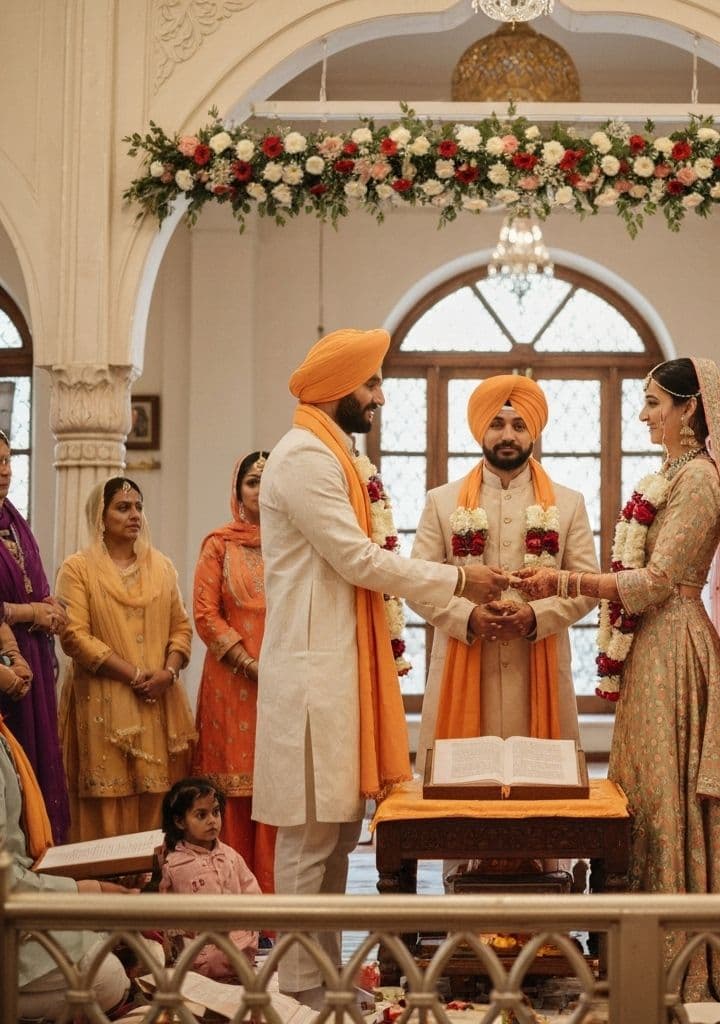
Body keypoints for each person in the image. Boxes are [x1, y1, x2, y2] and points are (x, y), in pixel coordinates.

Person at [513, 357, 720, 1001]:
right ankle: (640, 945)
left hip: (677, 648)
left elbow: (656, 585)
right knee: (650, 793)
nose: (645, 414)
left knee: (679, 794)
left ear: (688, 410)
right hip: (655, 649)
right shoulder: (671, 475)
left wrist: (564, 581)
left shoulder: (701, 479)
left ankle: (692, 955)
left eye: (654, 403)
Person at [251, 327, 507, 1005]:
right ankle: (299, 992)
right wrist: (457, 581)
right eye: (369, 385)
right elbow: (357, 559)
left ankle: (324, 982)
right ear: (336, 390)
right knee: (310, 840)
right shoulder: (305, 457)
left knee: (335, 838)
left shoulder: (330, 454)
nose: (379, 397)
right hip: (313, 673)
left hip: (338, 669)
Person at [411, 375, 598, 773]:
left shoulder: (569, 504)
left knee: (542, 801)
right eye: (497, 423)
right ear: (481, 429)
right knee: (458, 800)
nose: (507, 434)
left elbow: (586, 586)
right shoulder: (441, 502)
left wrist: (536, 617)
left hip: (539, 664)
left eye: (519, 425)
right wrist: (467, 617)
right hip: (464, 663)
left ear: (534, 432)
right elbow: (419, 584)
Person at [56, 477, 195, 841]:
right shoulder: (77, 569)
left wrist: (168, 671)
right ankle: (105, 890)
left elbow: (181, 627)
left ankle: (147, 889)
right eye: (122, 507)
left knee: (154, 796)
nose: (134, 515)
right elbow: (73, 635)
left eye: (138, 507)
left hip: (156, 701)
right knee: (106, 797)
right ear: (100, 517)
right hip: (103, 700)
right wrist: (133, 674)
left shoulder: (161, 566)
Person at [2, 710, 132, 1019]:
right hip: (11, 914)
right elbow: (5, 879)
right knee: (109, 977)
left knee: (122, 948)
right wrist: (85, 890)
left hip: (21, 891)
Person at [192, 450, 275, 892]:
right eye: (252, 482)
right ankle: (232, 901)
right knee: (235, 792)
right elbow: (205, 615)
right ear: (238, 491)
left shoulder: (294, 541)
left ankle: (276, 904)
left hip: (282, 679)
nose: (260, 490)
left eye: (267, 480)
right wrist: (247, 662)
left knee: (278, 790)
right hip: (232, 681)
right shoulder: (218, 545)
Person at [0, 431, 71, 842]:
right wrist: (32, 612)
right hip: (6, 661)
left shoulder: (14, 520)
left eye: (7, 460)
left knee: (38, 756)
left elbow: (33, 584)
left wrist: (51, 608)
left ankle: (44, 853)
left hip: (31, 657)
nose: (3, 470)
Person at [157, 776, 261, 981]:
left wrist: (252, 929)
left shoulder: (230, 855)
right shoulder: (174, 866)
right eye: (201, 815)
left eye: (215, 812)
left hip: (240, 948)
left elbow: (251, 890)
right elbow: (169, 914)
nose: (212, 820)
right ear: (179, 821)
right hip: (200, 956)